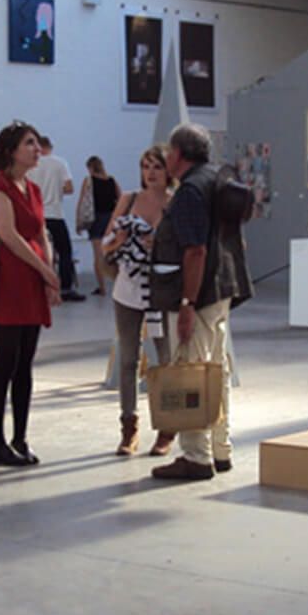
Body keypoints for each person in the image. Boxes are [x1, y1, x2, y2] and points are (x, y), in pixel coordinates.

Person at [150, 124, 247, 481]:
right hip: (222, 287)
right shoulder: (219, 176)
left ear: (179, 154)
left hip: (200, 293)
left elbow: (194, 250)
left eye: (170, 152)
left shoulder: (190, 190)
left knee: (191, 372)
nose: (166, 158)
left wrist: (187, 303)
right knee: (215, 371)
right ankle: (221, 450)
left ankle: (196, 456)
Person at [0, 121, 62, 467]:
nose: (37, 150)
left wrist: (49, 273)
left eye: (37, 144)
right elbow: (10, 237)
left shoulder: (33, 189)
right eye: (29, 144)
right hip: (11, 280)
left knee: (25, 365)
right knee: (6, 363)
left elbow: (41, 232)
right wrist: (44, 270)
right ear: (12, 150)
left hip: (31, 279)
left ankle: (20, 437)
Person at [101, 145, 173, 456]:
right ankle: (128, 427)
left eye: (156, 166)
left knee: (165, 360)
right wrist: (121, 240)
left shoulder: (175, 203)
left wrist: (160, 242)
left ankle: (167, 428)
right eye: (146, 166)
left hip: (162, 290)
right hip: (128, 289)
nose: (151, 172)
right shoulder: (129, 199)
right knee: (128, 359)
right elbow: (107, 243)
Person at [30, 135, 83, 301]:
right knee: (65, 252)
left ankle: (39, 286)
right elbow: (69, 188)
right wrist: (56, 190)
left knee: (38, 252)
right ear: (50, 147)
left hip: (37, 214)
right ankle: (65, 287)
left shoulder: (32, 165)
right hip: (55, 213)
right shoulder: (60, 163)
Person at [79, 156, 121, 296]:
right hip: (110, 218)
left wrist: (79, 221)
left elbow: (82, 201)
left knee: (98, 255)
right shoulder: (112, 180)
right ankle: (118, 285)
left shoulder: (88, 181)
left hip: (96, 218)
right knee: (113, 253)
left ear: (90, 168)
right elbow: (120, 199)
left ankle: (102, 287)